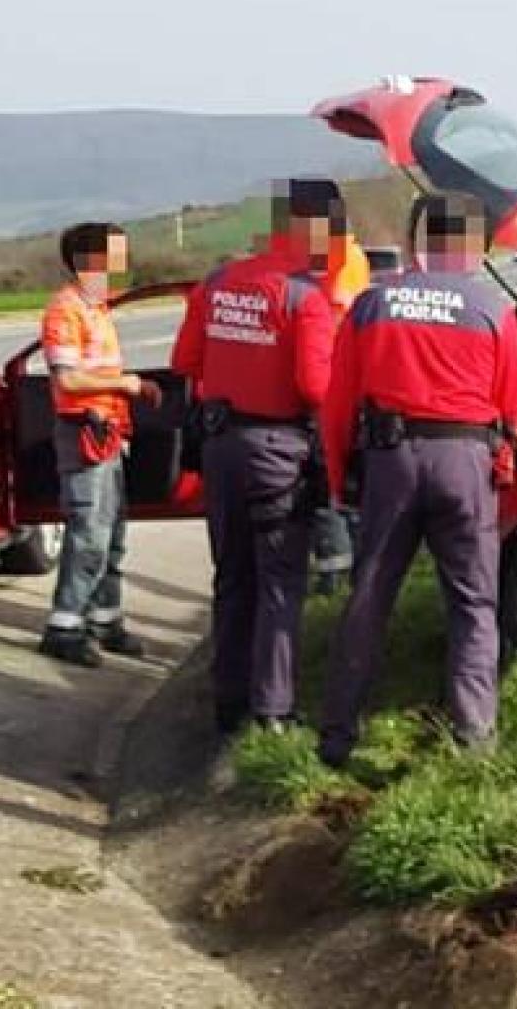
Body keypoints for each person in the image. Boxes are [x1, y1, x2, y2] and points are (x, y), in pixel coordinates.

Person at [317, 193, 517, 769]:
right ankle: (473, 740)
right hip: (465, 461)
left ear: (414, 241)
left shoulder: (371, 304)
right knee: (473, 603)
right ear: (476, 246)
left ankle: (336, 737)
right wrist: (499, 468)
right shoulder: (493, 310)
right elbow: (509, 405)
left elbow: (337, 404)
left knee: (369, 597)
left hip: (392, 460)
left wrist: (340, 481)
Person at [172, 179, 338, 733]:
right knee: (279, 581)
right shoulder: (304, 297)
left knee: (232, 574)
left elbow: (184, 360)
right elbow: (315, 385)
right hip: (277, 452)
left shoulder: (216, 282)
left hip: (220, 448)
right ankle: (272, 709)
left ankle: (228, 699)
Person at [38, 222, 162, 667]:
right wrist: (126, 383)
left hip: (109, 432)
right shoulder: (65, 311)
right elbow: (68, 379)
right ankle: (65, 625)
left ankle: (105, 618)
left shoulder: (97, 308)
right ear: (90, 258)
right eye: (115, 252)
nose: (122, 261)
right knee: (89, 532)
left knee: (112, 535)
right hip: (84, 432)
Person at [310, 231, 372, 596]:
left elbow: (330, 313)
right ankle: (355, 571)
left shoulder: (335, 259)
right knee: (347, 479)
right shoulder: (353, 255)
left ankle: (336, 575)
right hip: (349, 382)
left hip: (330, 382)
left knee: (327, 482)